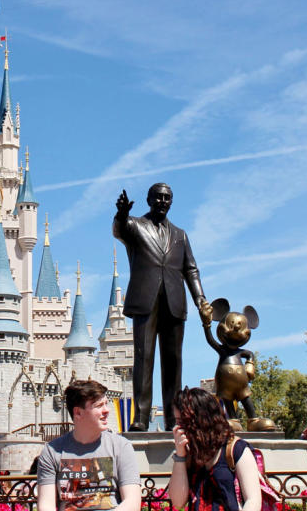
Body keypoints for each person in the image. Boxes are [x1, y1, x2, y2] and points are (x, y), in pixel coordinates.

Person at [112, 183, 210, 431]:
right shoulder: (135, 226)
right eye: (158, 197)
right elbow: (119, 230)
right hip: (146, 301)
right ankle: (141, 418)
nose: (163, 201)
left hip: (174, 302)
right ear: (149, 199)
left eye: (167, 198)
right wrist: (122, 214)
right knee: (143, 359)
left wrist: (200, 299)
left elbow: (191, 269)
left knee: (173, 362)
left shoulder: (180, 235)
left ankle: (173, 417)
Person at [36, 380, 140, 511]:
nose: (106, 411)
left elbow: (132, 502)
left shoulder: (121, 447)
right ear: (78, 413)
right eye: (99, 406)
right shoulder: (52, 452)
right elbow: (46, 505)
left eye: (106, 404)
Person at [169, 387, 261, 511]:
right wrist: (180, 456)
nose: (178, 428)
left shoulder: (236, 449)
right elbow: (178, 502)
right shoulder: (190, 454)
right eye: (177, 422)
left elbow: (253, 500)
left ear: (201, 420)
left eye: (182, 422)